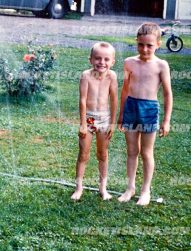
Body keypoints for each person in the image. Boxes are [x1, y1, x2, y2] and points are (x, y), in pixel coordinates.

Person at [117, 22, 173, 206]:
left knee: (147, 153)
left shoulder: (161, 65)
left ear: (158, 44)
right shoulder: (129, 63)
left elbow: (167, 93)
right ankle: (130, 188)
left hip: (149, 109)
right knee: (132, 151)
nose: (145, 49)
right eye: (141, 44)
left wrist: (166, 120)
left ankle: (145, 190)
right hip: (131, 107)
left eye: (149, 45)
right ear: (136, 43)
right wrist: (121, 113)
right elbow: (125, 89)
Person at [71, 42, 118, 201]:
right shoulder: (86, 76)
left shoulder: (112, 76)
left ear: (113, 62)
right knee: (83, 154)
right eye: (98, 58)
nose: (102, 62)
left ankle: (103, 188)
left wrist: (112, 123)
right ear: (90, 59)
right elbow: (82, 100)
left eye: (106, 59)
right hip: (89, 119)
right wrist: (83, 124)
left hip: (104, 119)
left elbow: (114, 100)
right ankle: (78, 188)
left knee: (102, 154)